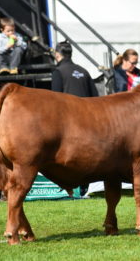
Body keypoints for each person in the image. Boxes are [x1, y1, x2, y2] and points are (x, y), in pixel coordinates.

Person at [51, 40, 98, 196]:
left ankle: (72, 187)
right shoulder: (83, 71)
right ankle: (85, 188)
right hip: (88, 119)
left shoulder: (58, 71)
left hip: (69, 120)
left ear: (57, 55)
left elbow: (55, 98)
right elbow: (95, 97)